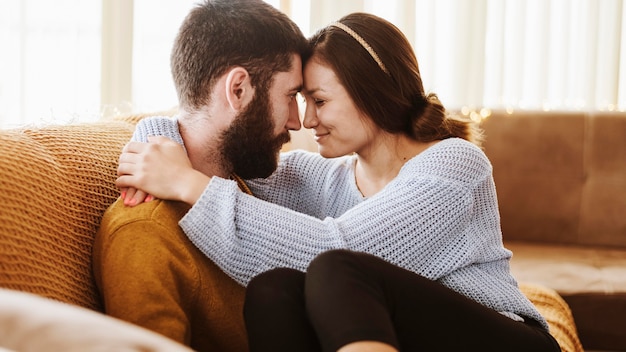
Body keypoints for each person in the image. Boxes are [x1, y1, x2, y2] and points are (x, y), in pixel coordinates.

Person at [116, 13, 560, 352]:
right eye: (301, 100)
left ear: (372, 92)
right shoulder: (321, 178)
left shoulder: (456, 165)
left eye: (319, 101)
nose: (307, 121)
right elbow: (204, 143)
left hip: (507, 341)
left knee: (335, 266)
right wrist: (153, 139)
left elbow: (338, 247)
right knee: (274, 289)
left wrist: (187, 185)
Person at [91, 1, 307, 351]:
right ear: (238, 89)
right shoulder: (145, 232)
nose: (297, 122)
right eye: (291, 96)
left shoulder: (245, 187)